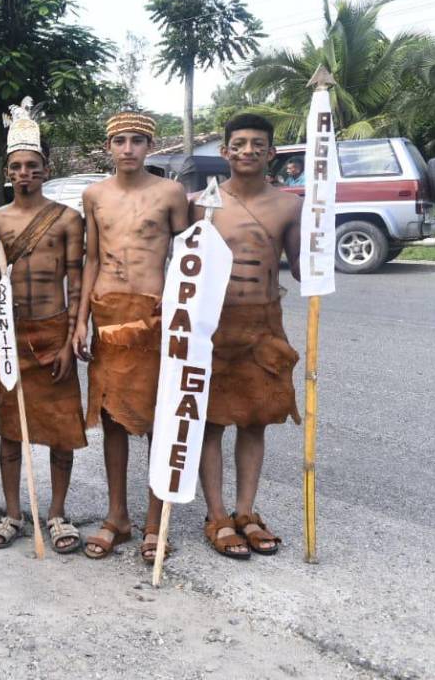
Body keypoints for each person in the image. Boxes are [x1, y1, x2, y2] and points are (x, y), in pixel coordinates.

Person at [73, 111, 189, 562]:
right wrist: (81, 320)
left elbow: (189, 257)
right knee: (112, 419)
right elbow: (91, 259)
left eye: (137, 140)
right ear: (109, 147)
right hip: (107, 312)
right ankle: (117, 516)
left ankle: (156, 520)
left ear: (149, 146)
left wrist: (183, 316)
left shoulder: (170, 193)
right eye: (120, 141)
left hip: (154, 315)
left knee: (159, 419)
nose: (128, 149)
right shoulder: (95, 195)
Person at [195, 113, 302, 559]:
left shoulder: (289, 206)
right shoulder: (201, 204)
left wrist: (319, 235)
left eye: (258, 144)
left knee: (255, 420)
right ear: (225, 152)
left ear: (271, 152)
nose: (248, 151)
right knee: (211, 422)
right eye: (238, 143)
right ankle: (217, 515)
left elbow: (302, 270)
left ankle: (246, 511)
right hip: (214, 325)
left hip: (263, 324)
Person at [0, 100, 86, 552]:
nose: (24, 173)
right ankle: (13, 513)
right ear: (8, 172)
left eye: (32, 166)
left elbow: (77, 283)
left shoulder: (67, 220)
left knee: (61, 432)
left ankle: (57, 514)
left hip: (53, 330)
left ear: (46, 169)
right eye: (17, 167)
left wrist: (71, 338)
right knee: (10, 430)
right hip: (12, 337)